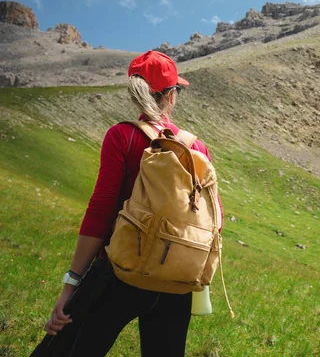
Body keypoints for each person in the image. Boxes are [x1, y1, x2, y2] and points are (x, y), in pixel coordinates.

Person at [43, 51, 222, 356]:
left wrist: (71, 284)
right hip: (175, 282)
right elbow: (215, 221)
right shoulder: (197, 147)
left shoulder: (122, 136)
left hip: (117, 272)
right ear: (171, 95)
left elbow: (100, 212)